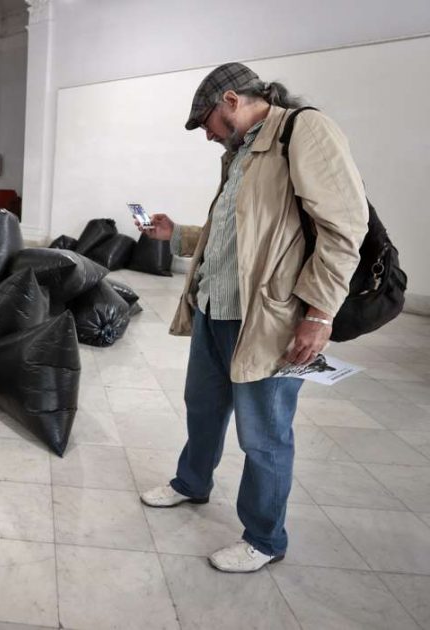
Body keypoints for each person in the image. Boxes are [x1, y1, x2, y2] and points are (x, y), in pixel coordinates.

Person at [136, 63, 368, 572]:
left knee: (263, 435)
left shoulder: (303, 130)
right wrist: (176, 235)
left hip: (267, 320)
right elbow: (235, 237)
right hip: (215, 310)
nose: (206, 136)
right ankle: (191, 483)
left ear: (231, 102)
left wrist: (321, 312)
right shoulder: (241, 152)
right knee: (202, 407)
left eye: (206, 124)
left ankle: (264, 538)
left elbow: (344, 226)